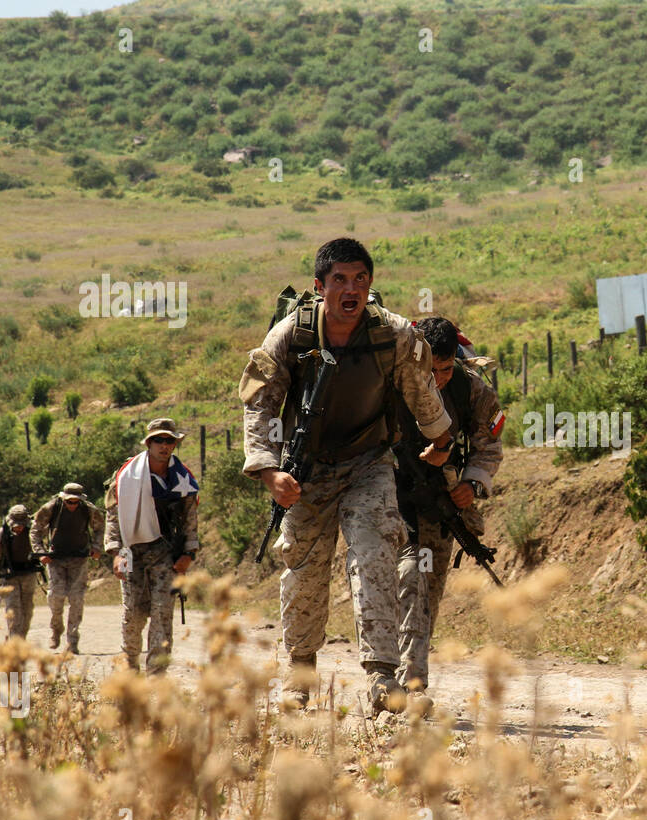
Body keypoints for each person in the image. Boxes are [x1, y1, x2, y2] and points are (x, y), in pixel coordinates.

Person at [240, 237, 454, 712]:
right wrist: (269, 470)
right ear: (320, 287)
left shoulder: (394, 335)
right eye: (339, 280)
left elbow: (423, 394)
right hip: (306, 472)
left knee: (376, 555)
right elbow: (260, 405)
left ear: (370, 284)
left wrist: (441, 441)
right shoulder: (290, 337)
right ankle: (299, 677)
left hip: (368, 463)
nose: (351, 289)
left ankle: (382, 678)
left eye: (360, 279)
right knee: (304, 572)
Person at [394, 316, 504, 713]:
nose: (437, 378)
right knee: (403, 582)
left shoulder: (471, 391)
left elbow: (488, 447)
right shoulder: (393, 381)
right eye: (430, 370)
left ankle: (412, 680)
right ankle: (396, 679)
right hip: (388, 498)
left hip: (438, 503)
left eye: (445, 369)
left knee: (427, 592)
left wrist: (471, 484)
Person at [104, 418, 199, 675]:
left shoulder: (183, 478)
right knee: (133, 613)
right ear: (149, 443)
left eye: (170, 441)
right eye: (159, 440)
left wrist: (188, 554)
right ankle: (130, 667)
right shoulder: (127, 476)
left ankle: (157, 675)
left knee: (161, 613)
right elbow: (114, 515)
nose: (164, 445)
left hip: (165, 552)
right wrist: (115, 552)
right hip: (131, 551)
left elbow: (190, 518)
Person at [32, 482, 105, 653]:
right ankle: (56, 629)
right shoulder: (51, 507)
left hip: (79, 558)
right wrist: (40, 552)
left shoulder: (88, 509)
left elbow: (100, 528)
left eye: (75, 502)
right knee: (55, 596)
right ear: (63, 499)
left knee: (76, 598)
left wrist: (96, 547)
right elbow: (35, 529)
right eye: (69, 502)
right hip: (56, 558)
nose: (72, 505)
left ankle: (72, 641)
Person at [0, 504, 42, 639]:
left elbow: (42, 545)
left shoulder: (33, 532)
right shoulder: (2, 534)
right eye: (16, 525)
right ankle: (15, 641)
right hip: (9, 576)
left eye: (22, 524)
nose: (19, 528)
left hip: (28, 574)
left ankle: (21, 639)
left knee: (27, 610)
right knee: (13, 609)